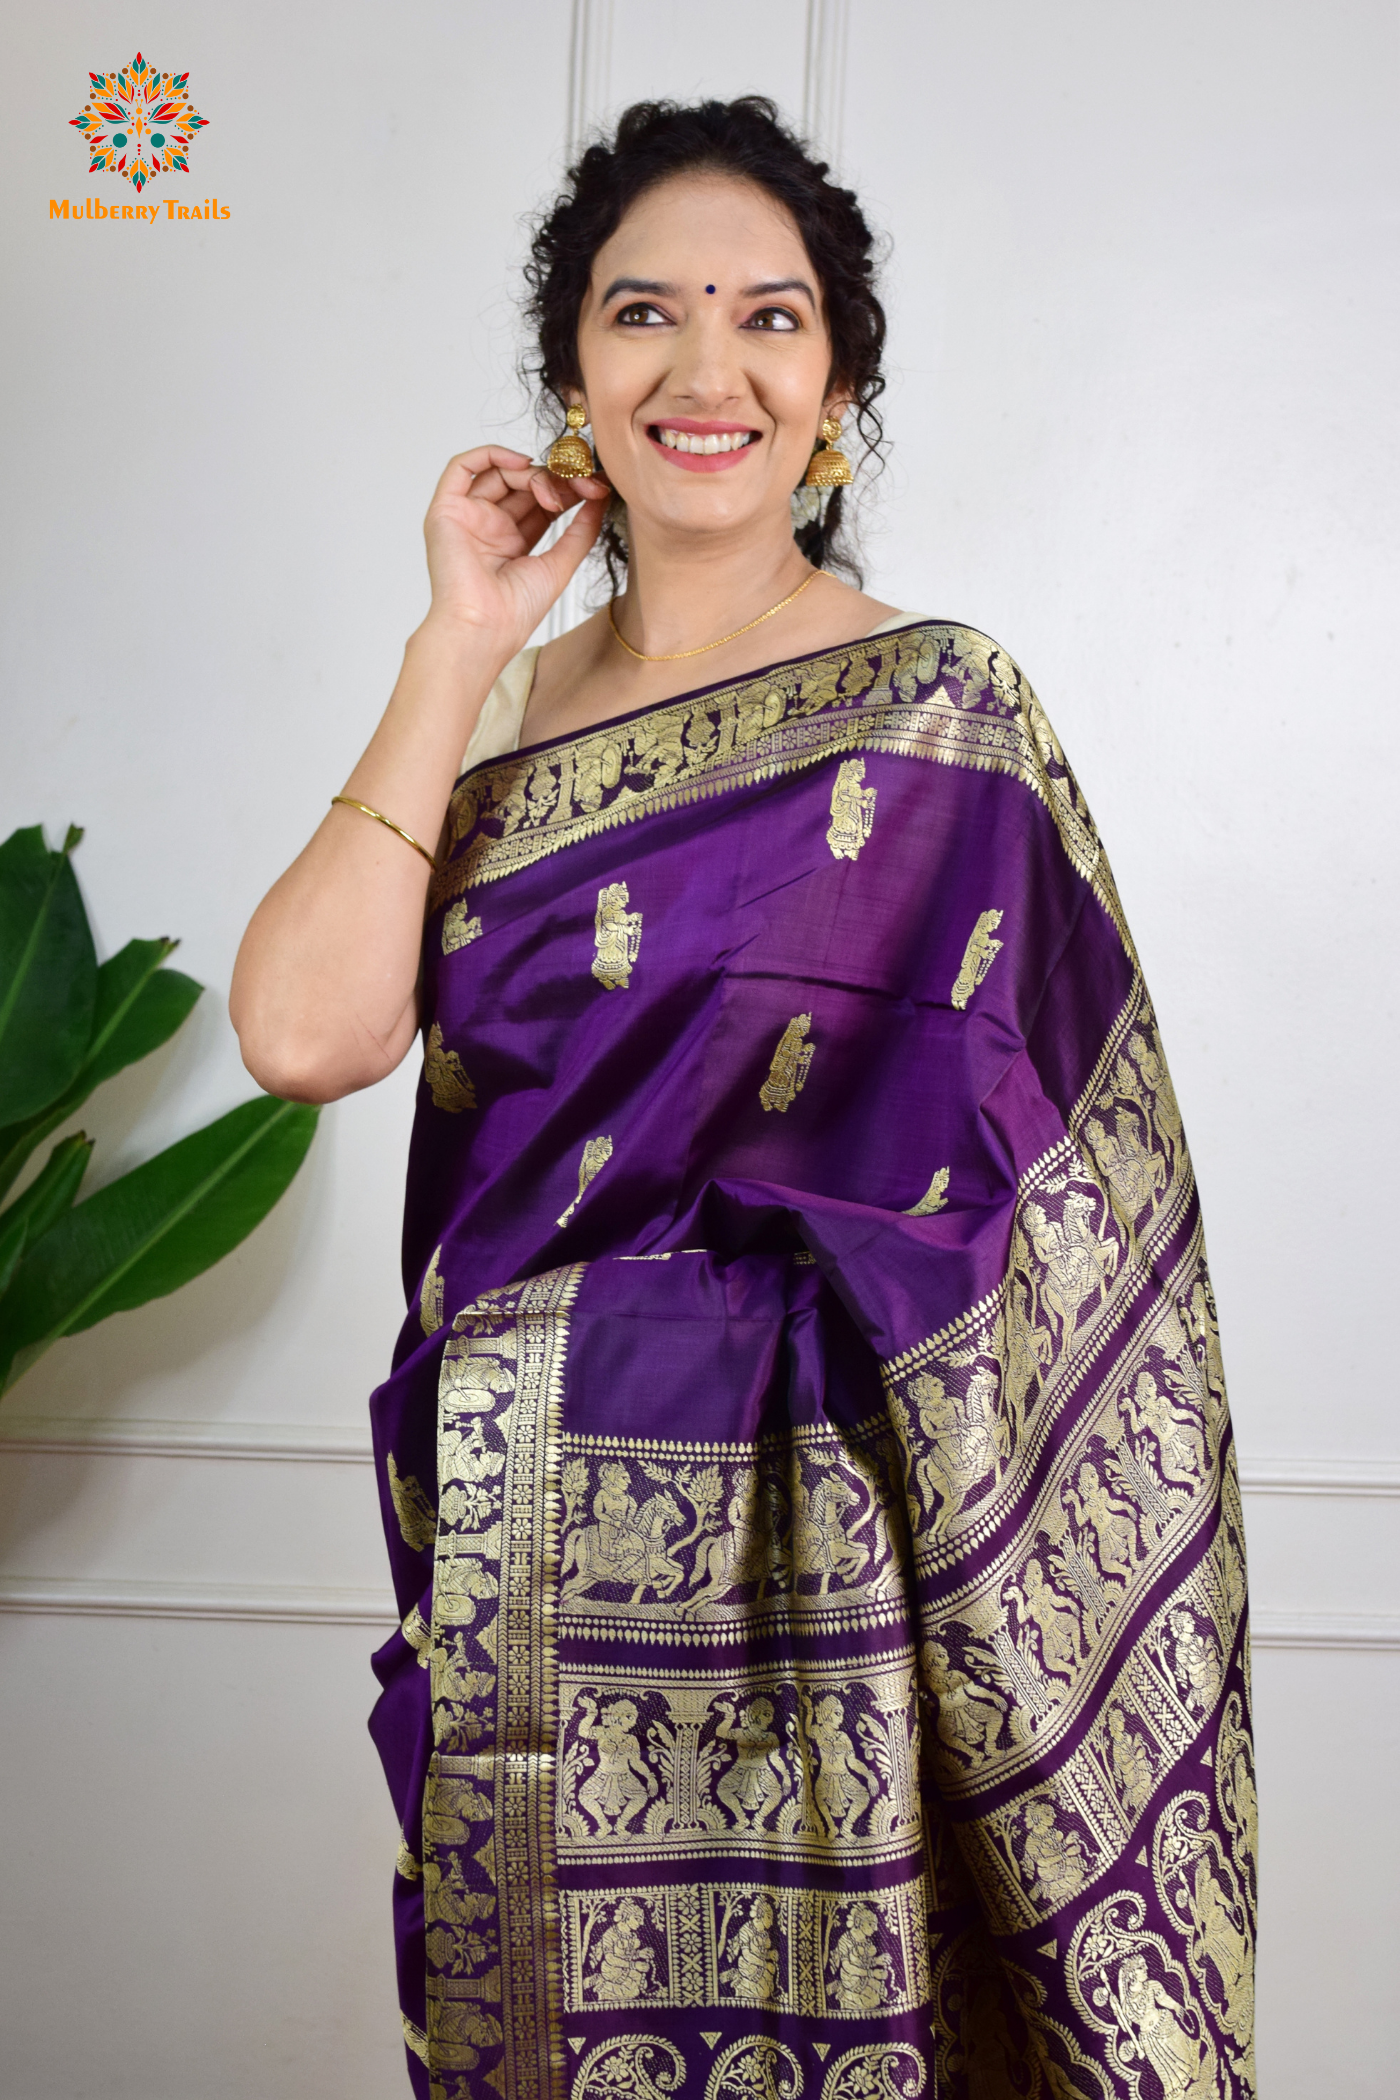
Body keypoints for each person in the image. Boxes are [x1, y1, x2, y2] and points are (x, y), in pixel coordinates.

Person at [231, 96, 1255, 2100]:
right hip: (518, 1564)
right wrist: (457, 641)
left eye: (768, 320)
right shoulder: (493, 717)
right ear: (571, 383)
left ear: (838, 385)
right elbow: (304, 1037)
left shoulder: (945, 713)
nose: (708, 373)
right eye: (644, 317)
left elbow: (1060, 1243)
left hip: (850, 1603)